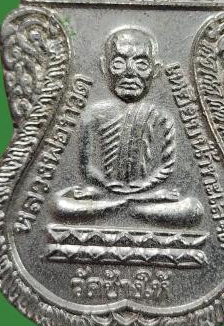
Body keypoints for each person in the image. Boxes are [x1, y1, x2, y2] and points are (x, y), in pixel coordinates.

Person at [53, 27, 203, 227]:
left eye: (141, 64)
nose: (130, 72)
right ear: (104, 67)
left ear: (156, 70)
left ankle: (126, 206)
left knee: (192, 209)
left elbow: (166, 167)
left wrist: (142, 190)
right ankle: (127, 207)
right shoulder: (94, 113)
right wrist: (106, 186)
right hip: (104, 195)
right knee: (58, 205)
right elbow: (87, 167)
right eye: (119, 63)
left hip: (148, 197)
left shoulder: (162, 116)